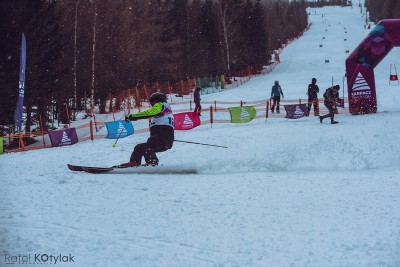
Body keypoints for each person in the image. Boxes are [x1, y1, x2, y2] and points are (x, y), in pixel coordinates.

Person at [121, 92, 174, 167]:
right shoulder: (166, 109)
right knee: (139, 147)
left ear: (156, 100)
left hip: (162, 137)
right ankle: (134, 162)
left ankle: (152, 162)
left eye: (152, 102)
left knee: (146, 147)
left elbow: (149, 113)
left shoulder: (160, 104)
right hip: (164, 139)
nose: (152, 104)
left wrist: (133, 116)